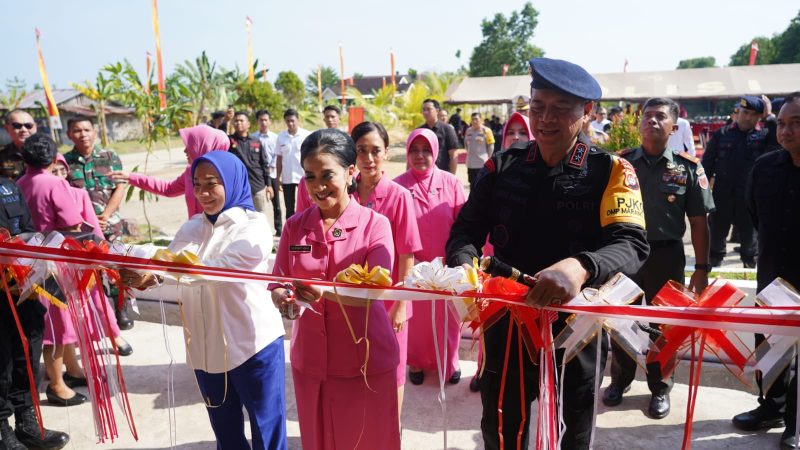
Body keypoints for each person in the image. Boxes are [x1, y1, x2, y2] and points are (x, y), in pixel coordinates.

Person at [445, 57, 649, 450]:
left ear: (587, 113)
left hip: (577, 327)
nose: (545, 119)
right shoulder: (503, 165)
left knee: (573, 427)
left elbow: (632, 243)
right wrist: (464, 270)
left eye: (560, 109)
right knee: (503, 425)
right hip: (506, 321)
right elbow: (465, 232)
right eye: (537, 107)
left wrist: (582, 267)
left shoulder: (611, 170)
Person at [123, 151, 287, 450]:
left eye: (212, 183)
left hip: (252, 346)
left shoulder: (254, 227)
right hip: (205, 347)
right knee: (225, 430)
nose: (203, 193)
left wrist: (163, 270)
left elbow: (220, 267)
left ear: (232, 181)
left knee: (267, 429)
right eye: (197, 185)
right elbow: (167, 263)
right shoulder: (191, 228)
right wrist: (146, 274)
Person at [271, 129, 400, 450]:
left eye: (327, 175)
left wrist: (322, 292)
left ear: (350, 173)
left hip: (365, 362)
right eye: (310, 177)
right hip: (312, 364)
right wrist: (284, 301)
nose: (318, 186)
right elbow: (277, 281)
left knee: (369, 441)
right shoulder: (294, 226)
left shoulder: (375, 225)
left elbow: (376, 290)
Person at [603, 97, 714, 419]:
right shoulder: (621, 164)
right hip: (624, 254)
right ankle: (620, 381)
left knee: (664, 327)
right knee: (621, 320)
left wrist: (702, 269)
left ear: (674, 126)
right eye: (647, 116)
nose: (651, 121)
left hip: (667, 257)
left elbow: (699, 222)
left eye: (660, 116)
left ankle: (660, 387)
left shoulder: (688, 168)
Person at [36, 154, 133, 409]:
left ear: (68, 173)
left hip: (81, 268)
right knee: (61, 323)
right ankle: (68, 371)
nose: (57, 176)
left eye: (61, 171)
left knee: (87, 314)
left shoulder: (78, 195)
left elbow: (93, 230)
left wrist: (102, 258)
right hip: (55, 269)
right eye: (53, 170)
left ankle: (85, 360)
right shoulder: (40, 191)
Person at [735, 92, 800, 450]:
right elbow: (754, 215)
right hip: (774, 273)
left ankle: (797, 422)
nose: (785, 131)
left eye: (796, 124)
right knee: (770, 346)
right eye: (783, 124)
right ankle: (771, 407)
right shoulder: (765, 167)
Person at [0, 136, 70, 450]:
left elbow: (28, 232)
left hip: (24, 290)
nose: (7, 159)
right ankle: (3, 431)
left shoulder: (10, 187)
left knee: (25, 357)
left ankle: (27, 422)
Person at [350, 121, 422, 416]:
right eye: (361, 151)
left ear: (387, 153)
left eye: (375, 151)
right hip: (352, 299)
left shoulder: (399, 196)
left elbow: (407, 253)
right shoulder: (345, 195)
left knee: (392, 369)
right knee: (356, 366)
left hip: (391, 301)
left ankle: (391, 432)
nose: (368, 158)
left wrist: (402, 306)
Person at [396, 128, 467, 386]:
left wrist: (459, 260)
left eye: (426, 150)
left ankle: (450, 361)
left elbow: (463, 224)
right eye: (414, 150)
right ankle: (415, 362)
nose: (420, 155)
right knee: (417, 321)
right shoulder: (398, 186)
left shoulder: (451, 183)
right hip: (411, 267)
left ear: (436, 152)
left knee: (448, 318)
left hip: (445, 268)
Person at [64, 115, 132, 329]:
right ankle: (102, 313)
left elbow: (120, 187)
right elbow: (63, 195)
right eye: (76, 130)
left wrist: (105, 215)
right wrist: (87, 221)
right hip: (82, 228)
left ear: (94, 132)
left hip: (110, 224)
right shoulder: (65, 162)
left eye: (86, 129)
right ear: (68, 135)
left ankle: (121, 308)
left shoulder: (110, 157)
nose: (82, 134)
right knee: (91, 271)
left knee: (116, 267)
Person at [702, 96, 780, 268]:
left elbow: (778, 143)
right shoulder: (721, 134)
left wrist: (770, 117)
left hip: (749, 201)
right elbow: (705, 167)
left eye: (754, 115)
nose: (747, 117)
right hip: (722, 198)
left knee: (750, 249)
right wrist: (702, 196)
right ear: (738, 112)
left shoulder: (765, 136)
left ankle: (749, 271)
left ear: (759, 117)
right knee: (715, 246)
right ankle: (713, 277)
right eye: (745, 112)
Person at [110, 125, 230, 219]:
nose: (184, 150)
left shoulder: (226, 175)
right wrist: (131, 177)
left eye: (190, 146)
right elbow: (168, 189)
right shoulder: (191, 172)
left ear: (203, 146)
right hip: (197, 236)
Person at [228, 112, 274, 225]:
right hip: (238, 188)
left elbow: (264, 164)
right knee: (240, 219)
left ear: (248, 124)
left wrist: (269, 185)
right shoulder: (229, 141)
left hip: (257, 186)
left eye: (241, 120)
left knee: (260, 217)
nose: (238, 123)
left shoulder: (256, 141)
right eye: (236, 121)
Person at [276, 108, 311, 220]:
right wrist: (278, 177)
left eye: (292, 120)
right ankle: (291, 232)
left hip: (304, 176)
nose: (290, 123)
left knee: (307, 204)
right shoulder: (281, 137)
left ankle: (307, 228)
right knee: (289, 207)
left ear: (298, 120)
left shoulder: (306, 135)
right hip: (287, 177)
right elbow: (279, 158)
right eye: (287, 121)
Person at [252, 109, 283, 235]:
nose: (263, 122)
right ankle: (260, 230)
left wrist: (272, 167)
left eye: (266, 120)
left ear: (270, 121)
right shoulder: (253, 138)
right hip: (258, 176)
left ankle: (279, 229)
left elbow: (278, 155)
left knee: (276, 204)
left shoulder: (276, 138)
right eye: (261, 120)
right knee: (258, 203)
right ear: (257, 122)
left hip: (273, 173)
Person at [418, 99, 459, 174]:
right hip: (422, 174)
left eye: (428, 109)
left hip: (441, 173)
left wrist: (452, 177)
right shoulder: (419, 131)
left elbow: (453, 155)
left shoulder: (447, 129)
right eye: (423, 110)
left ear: (437, 111)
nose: (425, 112)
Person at [1, 109, 36, 180]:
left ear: (35, 127)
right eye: (17, 125)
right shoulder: (1, 155)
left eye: (28, 125)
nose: (24, 129)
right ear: (7, 128)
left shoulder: (47, 152)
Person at [464, 112, 495, 190]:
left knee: (482, 184)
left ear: (481, 120)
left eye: (476, 119)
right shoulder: (468, 130)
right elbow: (466, 144)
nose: (474, 121)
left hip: (482, 163)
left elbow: (491, 146)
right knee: (472, 184)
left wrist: (488, 158)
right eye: (472, 119)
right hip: (471, 163)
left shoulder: (487, 130)